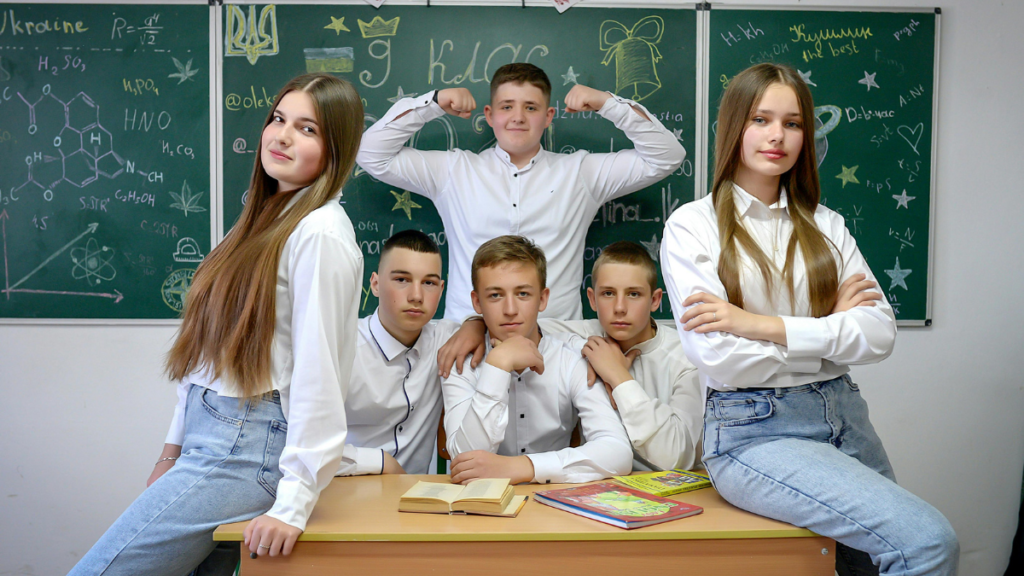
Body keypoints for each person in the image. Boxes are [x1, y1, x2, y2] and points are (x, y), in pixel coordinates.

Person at [660, 62, 958, 575]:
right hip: (754, 430)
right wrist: (830, 329)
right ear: (735, 125)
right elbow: (723, 359)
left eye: (793, 123)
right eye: (761, 119)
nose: (777, 136)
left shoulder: (828, 225)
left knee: (867, 566)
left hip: (845, 415)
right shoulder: (693, 226)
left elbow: (879, 334)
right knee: (927, 542)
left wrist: (755, 324)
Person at [68, 73, 365, 576]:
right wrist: (170, 452)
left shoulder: (320, 234)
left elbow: (322, 372)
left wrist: (292, 506)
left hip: (248, 447)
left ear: (337, 148)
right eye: (278, 119)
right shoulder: (262, 217)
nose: (282, 136)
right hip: (214, 435)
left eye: (307, 129)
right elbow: (209, 352)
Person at [356, 62, 685, 321]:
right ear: (489, 115)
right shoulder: (453, 171)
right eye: (506, 107)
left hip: (557, 348)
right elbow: (371, 154)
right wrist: (434, 103)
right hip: (467, 344)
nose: (517, 117)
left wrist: (608, 105)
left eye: (530, 107)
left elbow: (667, 157)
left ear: (548, 117)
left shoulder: (581, 172)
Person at [442, 235, 632, 485]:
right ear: (477, 302)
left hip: (553, 505)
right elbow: (464, 459)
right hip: (477, 510)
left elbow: (617, 453)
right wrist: (498, 364)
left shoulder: (572, 356)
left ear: (542, 299)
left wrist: (521, 467)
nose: (510, 309)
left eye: (522, 293)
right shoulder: (461, 359)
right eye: (495, 296)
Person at [540, 241, 702, 472]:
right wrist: (474, 324)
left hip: (669, 491)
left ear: (655, 300)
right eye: (608, 293)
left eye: (633, 294)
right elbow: (518, 326)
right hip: (599, 485)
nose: (619, 307)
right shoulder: (580, 336)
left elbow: (676, 458)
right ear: (592, 299)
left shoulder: (687, 358)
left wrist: (618, 376)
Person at [337, 229, 473, 476]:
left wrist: (476, 324)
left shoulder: (448, 339)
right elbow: (297, 440)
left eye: (429, 283)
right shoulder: (341, 347)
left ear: (441, 290)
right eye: (402, 280)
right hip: (338, 492)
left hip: (412, 503)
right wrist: (379, 462)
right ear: (375, 284)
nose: (416, 296)